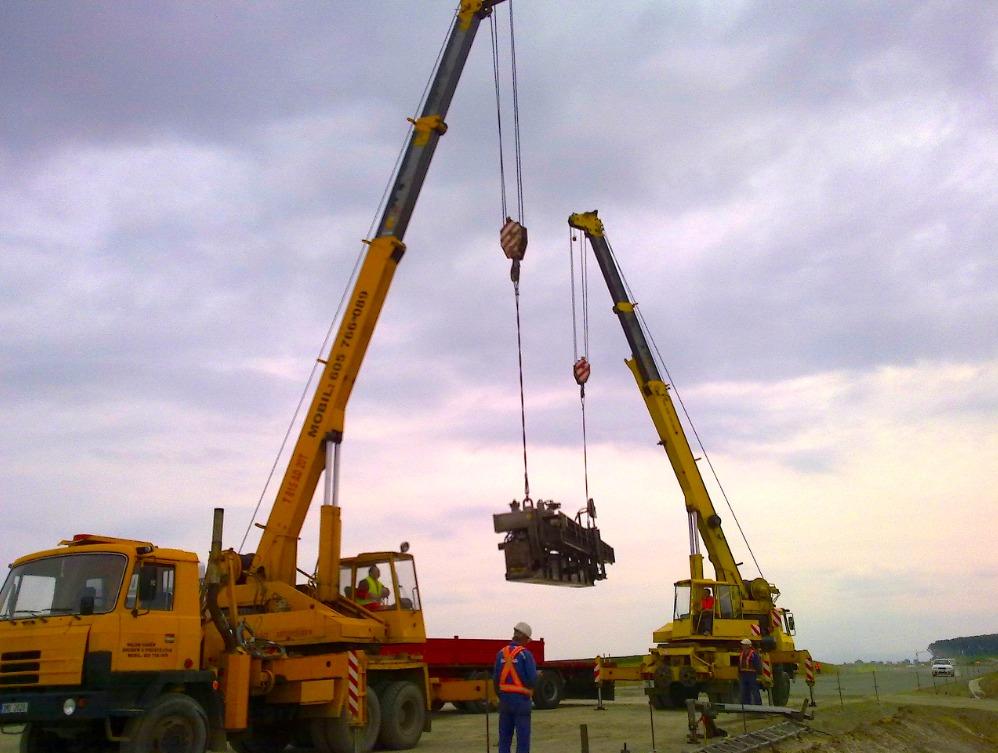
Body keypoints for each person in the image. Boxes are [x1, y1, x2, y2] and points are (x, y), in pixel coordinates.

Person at [494, 621, 537, 753]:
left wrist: (501, 696)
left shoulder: (501, 653)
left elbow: (496, 680)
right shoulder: (525, 655)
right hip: (521, 701)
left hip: (505, 701)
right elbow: (532, 679)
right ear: (524, 637)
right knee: (523, 739)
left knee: (504, 739)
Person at [738, 638, 763, 705]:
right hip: (743, 675)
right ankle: (746, 705)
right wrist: (739, 673)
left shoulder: (753, 654)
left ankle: (758, 704)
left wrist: (759, 672)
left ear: (748, 646)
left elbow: (757, 663)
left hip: (751, 674)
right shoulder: (742, 654)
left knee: (754, 690)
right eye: (742, 645)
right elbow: (739, 664)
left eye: (744, 645)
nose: (742, 646)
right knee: (744, 691)